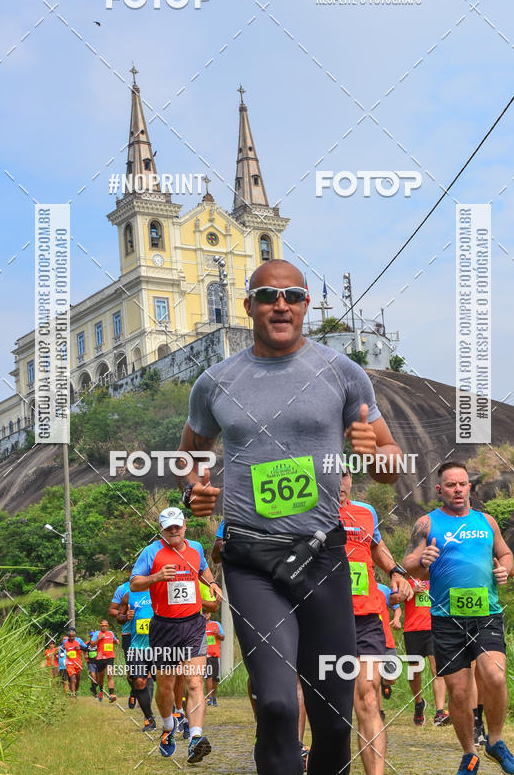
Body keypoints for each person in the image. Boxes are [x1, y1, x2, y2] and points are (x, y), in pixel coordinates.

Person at [177, 259, 403, 775]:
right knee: (278, 704)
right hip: (252, 560)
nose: (281, 304)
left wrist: (373, 452)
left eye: (293, 295)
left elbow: (391, 465)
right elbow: (189, 452)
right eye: (267, 295)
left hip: (323, 558)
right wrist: (196, 489)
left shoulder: (343, 373)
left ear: (305, 305)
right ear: (248, 306)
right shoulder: (215, 382)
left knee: (332, 717)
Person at [403, 461, 514, 775]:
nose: (457, 489)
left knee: (494, 675)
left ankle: (495, 741)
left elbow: (507, 555)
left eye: (462, 484)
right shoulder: (426, 523)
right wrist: (421, 559)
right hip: (447, 619)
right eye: (450, 485)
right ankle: (469, 753)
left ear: (470, 487)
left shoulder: (486, 521)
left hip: (486, 614)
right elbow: (408, 563)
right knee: (458, 691)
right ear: (440, 490)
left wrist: (505, 569)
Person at [130, 506, 222, 764]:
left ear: (184, 527)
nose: (174, 531)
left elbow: (203, 569)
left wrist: (212, 583)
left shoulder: (195, 548)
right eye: (168, 527)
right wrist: (156, 576)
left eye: (177, 526)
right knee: (166, 686)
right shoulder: (152, 552)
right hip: (164, 627)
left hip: (193, 624)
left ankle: (195, 738)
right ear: (162, 530)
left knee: (195, 683)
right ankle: (168, 726)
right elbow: (135, 582)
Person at [339, 471, 412, 775]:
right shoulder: (308, 513)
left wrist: (396, 570)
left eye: (343, 475)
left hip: (367, 616)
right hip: (323, 618)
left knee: (368, 697)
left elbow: (376, 546)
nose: (338, 482)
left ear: (350, 479)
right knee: (324, 704)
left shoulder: (365, 512)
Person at [401, 577, 450, 726]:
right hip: (413, 629)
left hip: (434, 628)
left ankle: (440, 712)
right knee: (414, 671)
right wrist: (411, 591)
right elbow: (394, 599)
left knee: (438, 669)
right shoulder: (406, 577)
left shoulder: (438, 576)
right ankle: (418, 702)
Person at [118, 583, 157, 731]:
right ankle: (149, 718)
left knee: (166, 682)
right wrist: (125, 617)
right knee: (139, 681)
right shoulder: (129, 595)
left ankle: (176, 715)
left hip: (159, 647)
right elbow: (119, 617)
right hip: (137, 647)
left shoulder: (158, 590)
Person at [109, 576, 136, 708]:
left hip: (148, 634)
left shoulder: (151, 585)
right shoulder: (123, 589)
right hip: (129, 633)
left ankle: (142, 693)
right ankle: (134, 691)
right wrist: (125, 616)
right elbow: (112, 610)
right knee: (132, 669)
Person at [95, 618, 119, 703]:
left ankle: (111, 694)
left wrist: (116, 641)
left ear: (107, 626)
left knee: (110, 675)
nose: (104, 627)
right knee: (101, 677)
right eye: (102, 626)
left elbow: (116, 641)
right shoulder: (97, 633)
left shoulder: (111, 633)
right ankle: (101, 691)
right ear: (100, 626)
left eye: (106, 626)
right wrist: (99, 639)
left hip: (110, 657)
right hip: (100, 658)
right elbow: (92, 643)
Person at [203, 611, 224, 706]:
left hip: (215, 655)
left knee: (215, 678)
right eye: (204, 613)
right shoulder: (200, 625)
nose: (206, 614)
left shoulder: (216, 624)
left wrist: (218, 634)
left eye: (207, 613)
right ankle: (209, 698)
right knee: (208, 677)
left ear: (210, 614)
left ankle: (214, 697)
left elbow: (222, 637)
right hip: (205, 655)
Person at [60, 628, 87, 697]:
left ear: (75, 635)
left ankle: (76, 691)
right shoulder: (65, 642)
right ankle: (73, 694)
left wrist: (80, 648)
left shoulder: (79, 641)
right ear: (68, 636)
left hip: (78, 663)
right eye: (70, 636)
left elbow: (86, 648)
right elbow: (61, 648)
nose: (71, 637)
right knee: (73, 678)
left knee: (77, 679)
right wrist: (61, 654)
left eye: (73, 636)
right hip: (69, 663)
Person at [86, 629, 99, 696]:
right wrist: (86, 655)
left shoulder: (98, 643)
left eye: (93, 636)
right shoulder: (87, 644)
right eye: (91, 636)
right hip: (91, 662)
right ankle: (95, 692)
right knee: (93, 676)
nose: (92, 637)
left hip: (98, 662)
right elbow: (85, 651)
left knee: (98, 678)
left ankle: (93, 688)